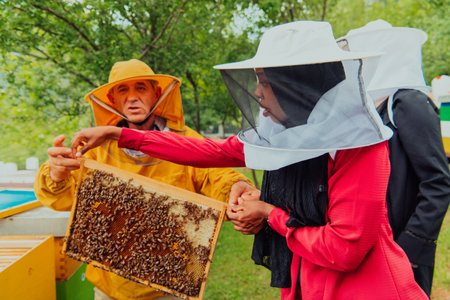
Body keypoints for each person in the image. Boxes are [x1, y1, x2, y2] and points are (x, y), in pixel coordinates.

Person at [71, 21, 428, 300]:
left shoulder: (359, 148)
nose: (256, 92)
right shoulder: (286, 135)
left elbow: (344, 249)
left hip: (368, 290)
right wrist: (120, 135)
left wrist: (268, 213)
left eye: (265, 82)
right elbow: (209, 152)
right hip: (306, 283)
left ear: (296, 86)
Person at [34, 59, 254, 300]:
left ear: (156, 94)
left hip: (170, 285)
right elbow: (62, 199)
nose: (132, 97)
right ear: (113, 100)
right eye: (123, 90)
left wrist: (236, 186)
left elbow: (217, 175)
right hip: (110, 288)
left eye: (141, 88)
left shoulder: (186, 140)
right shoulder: (95, 148)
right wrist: (57, 174)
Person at [337, 20, 450, 297]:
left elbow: (438, 182)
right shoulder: (376, 107)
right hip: (374, 248)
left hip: (402, 252)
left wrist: (410, 247)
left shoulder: (409, 102)